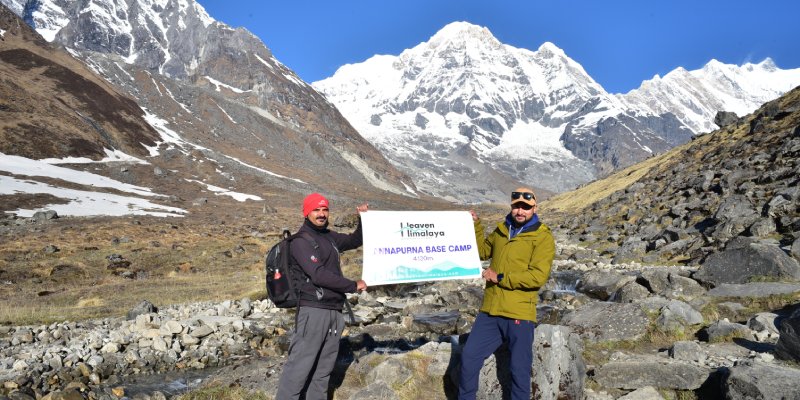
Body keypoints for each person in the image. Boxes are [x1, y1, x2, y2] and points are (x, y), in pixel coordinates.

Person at [458, 187, 555, 400]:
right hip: (490, 311)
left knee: (519, 370)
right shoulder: (502, 229)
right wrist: (475, 225)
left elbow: (537, 277)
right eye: (517, 206)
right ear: (511, 207)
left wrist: (500, 278)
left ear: (534, 208)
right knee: (469, 357)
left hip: (519, 313)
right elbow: (482, 252)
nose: (520, 211)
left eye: (526, 207)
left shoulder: (542, 236)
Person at [275, 193, 368, 400]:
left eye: (324, 209)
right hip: (313, 310)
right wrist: (352, 285)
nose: (321, 214)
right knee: (297, 371)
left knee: (322, 372)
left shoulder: (330, 237)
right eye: (316, 210)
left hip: (334, 311)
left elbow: (355, 240)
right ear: (306, 212)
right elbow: (318, 274)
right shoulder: (300, 241)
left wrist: (363, 219)